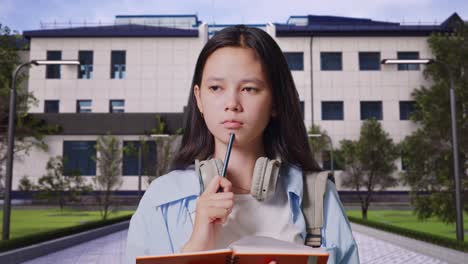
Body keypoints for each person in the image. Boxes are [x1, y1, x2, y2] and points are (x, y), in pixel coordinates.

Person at [125, 25, 359, 264]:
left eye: (249, 89)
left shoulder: (319, 197)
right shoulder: (161, 199)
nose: (232, 103)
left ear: (276, 102)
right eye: (216, 88)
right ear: (199, 99)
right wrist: (196, 245)